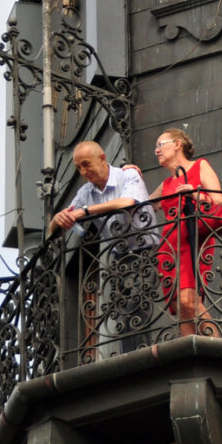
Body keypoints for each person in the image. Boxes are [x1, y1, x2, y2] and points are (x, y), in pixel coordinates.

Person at [50, 142, 155, 354]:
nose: (84, 172)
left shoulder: (128, 176)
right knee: (124, 311)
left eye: (86, 164)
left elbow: (127, 202)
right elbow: (56, 231)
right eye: (79, 168)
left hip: (147, 249)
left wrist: (85, 212)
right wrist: (56, 218)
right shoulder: (86, 192)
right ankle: (132, 357)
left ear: (102, 157)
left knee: (138, 306)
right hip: (120, 255)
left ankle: (144, 355)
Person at [152, 127, 222, 336]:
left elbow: (218, 202)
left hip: (192, 237)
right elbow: (142, 205)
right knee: (180, 306)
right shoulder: (166, 183)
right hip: (169, 245)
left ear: (177, 144)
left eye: (160, 145)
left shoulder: (199, 166)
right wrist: (130, 174)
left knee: (189, 299)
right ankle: (191, 351)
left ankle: (218, 344)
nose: (157, 151)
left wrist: (195, 194)